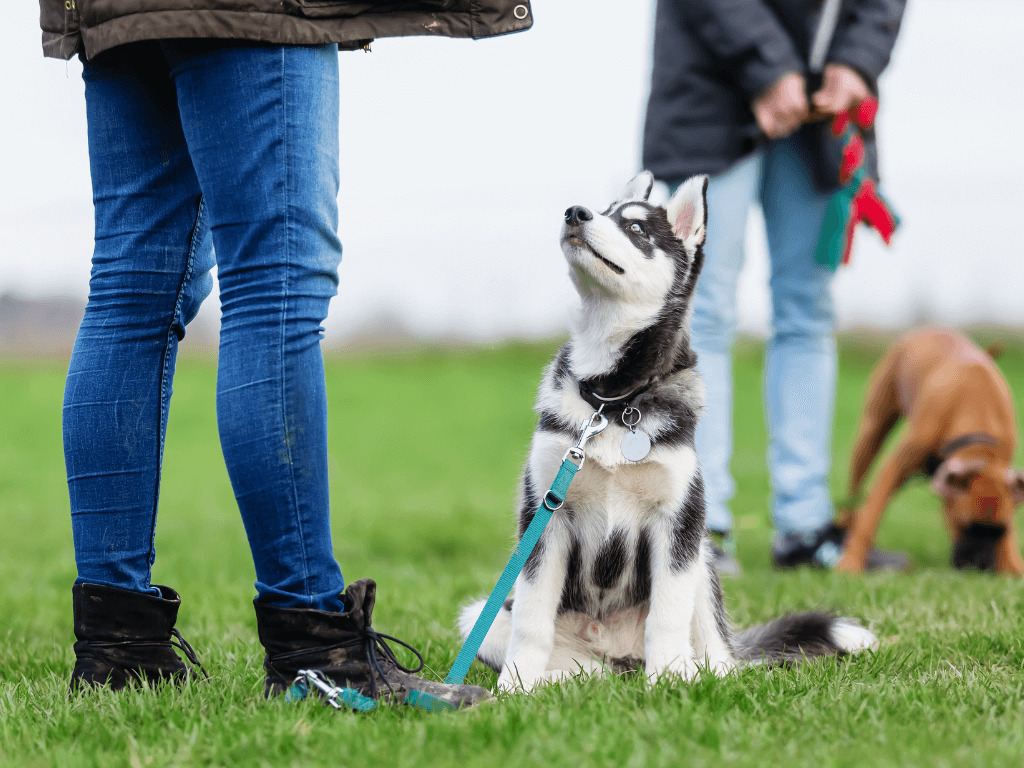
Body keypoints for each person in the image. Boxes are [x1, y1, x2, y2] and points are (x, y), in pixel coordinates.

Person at [39, 0, 533, 704]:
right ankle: (316, 651)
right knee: (276, 283)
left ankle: (119, 648)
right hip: (250, 10)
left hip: (111, 9)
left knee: (131, 285)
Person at [642, 0, 906, 575]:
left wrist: (856, 63)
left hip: (820, 108)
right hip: (708, 92)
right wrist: (769, 69)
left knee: (808, 309)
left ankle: (805, 527)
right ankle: (699, 528)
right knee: (701, 311)